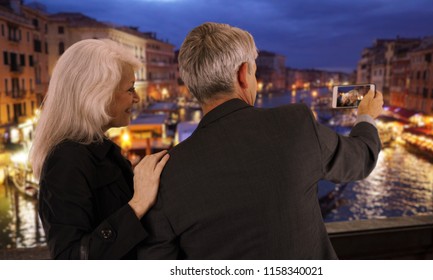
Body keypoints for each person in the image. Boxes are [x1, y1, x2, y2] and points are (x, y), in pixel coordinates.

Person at [138, 22, 383, 259]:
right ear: (244, 74)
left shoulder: (165, 175)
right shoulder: (295, 125)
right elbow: (362, 158)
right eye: (254, 71)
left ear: (192, 86)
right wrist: (365, 116)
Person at [29, 39, 169, 259]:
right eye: (130, 89)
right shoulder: (66, 160)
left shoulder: (95, 151)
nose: (137, 98)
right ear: (97, 93)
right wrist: (138, 204)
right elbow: (70, 258)